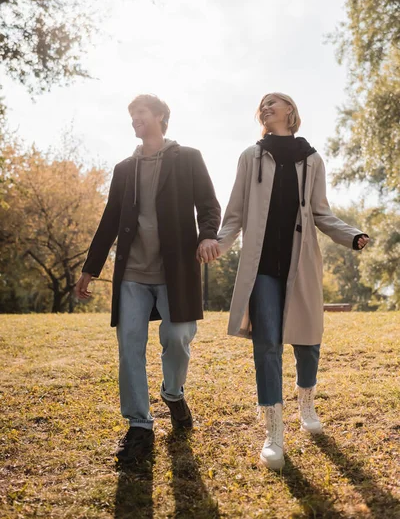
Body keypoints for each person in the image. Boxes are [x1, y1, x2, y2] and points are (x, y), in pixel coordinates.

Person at [216, 92, 369, 471]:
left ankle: (306, 401)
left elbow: (321, 212)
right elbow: (234, 212)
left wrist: (351, 235)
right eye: (262, 104)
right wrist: (216, 244)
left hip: (301, 263)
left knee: (308, 340)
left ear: (291, 111)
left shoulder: (312, 159)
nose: (266, 107)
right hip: (263, 266)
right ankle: (274, 431)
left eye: (274, 102)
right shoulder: (249, 158)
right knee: (267, 343)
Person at [75, 94, 220, 464]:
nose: (134, 119)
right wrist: (90, 268)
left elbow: (208, 204)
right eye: (131, 114)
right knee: (130, 348)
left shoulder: (187, 158)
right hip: (133, 275)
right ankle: (139, 424)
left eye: (140, 112)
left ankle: (173, 393)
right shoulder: (125, 169)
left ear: (160, 116)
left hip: (176, 272)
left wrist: (207, 235)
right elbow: (110, 220)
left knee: (177, 338)